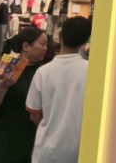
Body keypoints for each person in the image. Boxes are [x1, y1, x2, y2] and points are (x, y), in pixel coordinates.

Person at [0, 27, 49, 163]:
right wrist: (3, 87)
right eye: (42, 44)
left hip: (32, 138)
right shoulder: (8, 66)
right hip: (5, 138)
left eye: (47, 44)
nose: (45, 48)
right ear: (26, 46)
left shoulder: (43, 72)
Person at [26, 16, 92, 163]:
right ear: (85, 42)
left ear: (60, 36)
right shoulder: (92, 72)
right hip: (78, 151)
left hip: (45, 152)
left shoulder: (43, 72)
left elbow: (34, 115)